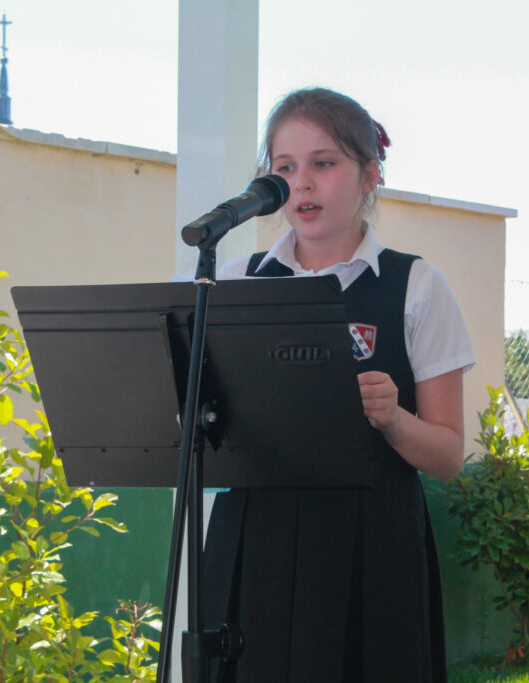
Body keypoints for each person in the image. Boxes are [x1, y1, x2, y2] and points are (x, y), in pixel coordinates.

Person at [203, 87, 475, 683]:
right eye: (284, 168)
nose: (302, 184)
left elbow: (450, 455)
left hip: (371, 547)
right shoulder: (234, 281)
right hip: (255, 543)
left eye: (323, 164)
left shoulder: (417, 286)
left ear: (370, 175)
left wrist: (394, 419)